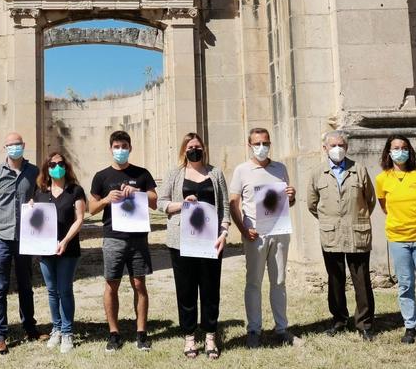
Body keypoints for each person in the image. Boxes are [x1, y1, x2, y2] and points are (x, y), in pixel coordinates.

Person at [157, 133, 230, 359]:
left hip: (211, 241)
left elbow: (225, 207)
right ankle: (189, 337)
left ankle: (210, 336)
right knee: (186, 290)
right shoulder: (174, 173)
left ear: (203, 148)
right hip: (181, 242)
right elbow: (161, 203)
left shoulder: (215, 173)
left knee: (210, 290)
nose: (194, 150)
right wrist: (180, 205)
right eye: (190, 147)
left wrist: (224, 232)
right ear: (184, 150)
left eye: (197, 146)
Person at [89, 130, 158, 352]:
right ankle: (114, 333)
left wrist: (139, 192)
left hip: (138, 237)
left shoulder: (142, 173)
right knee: (111, 284)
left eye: (124, 146)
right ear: (110, 149)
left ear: (130, 148)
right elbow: (91, 209)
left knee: (139, 284)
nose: (120, 150)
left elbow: (155, 202)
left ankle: (141, 333)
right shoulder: (101, 176)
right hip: (113, 238)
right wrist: (107, 199)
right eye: (116, 147)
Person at [229, 127, 297, 348]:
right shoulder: (241, 170)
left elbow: (288, 202)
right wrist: (242, 228)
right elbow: (233, 203)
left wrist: (291, 197)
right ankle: (254, 330)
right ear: (250, 145)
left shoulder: (280, 168)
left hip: (279, 231)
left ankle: (281, 328)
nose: (262, 147)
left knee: (279, 281)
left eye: (265, 143)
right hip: (254, 235)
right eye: (257, 143)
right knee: (254, 283)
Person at [306, 131, 377, 341]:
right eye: (333, 145)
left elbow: (370, 200)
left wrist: (357, 217)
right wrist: (330, 220)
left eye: (341, 145)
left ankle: (364, 323)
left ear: (346, 147)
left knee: (361, 279)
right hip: (331, 234)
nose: (337, 148)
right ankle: (339, 319)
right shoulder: (317, 172)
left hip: (357, 231)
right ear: (325, 148)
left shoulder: (359, 169)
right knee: (335, 279)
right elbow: (312, 204)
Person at [0, 132, 46, 354]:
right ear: (5, 147)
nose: (15, 148)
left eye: (18, 144)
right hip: (1, 237)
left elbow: (41, 198)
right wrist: (0, 221)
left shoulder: (34, 172)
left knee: (26, 285)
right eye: (11, 145)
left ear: (24, 145)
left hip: (25, 237)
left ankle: (30, 327)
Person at [375, 134, 416, 344]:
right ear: (388, 152)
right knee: (405, 284)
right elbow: (385, 207)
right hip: (397, 239)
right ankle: (410, 327)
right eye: (395, 148)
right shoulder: (382, 179)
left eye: (403, 147)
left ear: (409, 151)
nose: (399, 151)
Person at [32, 152, 86, 353]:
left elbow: (79, 219)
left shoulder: (75, 191)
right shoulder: (40, 192)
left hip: (67, 248)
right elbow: (35, 221)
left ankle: (68, 331)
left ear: (66, 166)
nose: (56, 167)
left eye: (60, 163)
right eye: (52, 164)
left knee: (65, 290)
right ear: (46, 169)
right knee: (52, 291)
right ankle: (56, 329)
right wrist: (31, 209)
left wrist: (64, 241)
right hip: (45, 250)